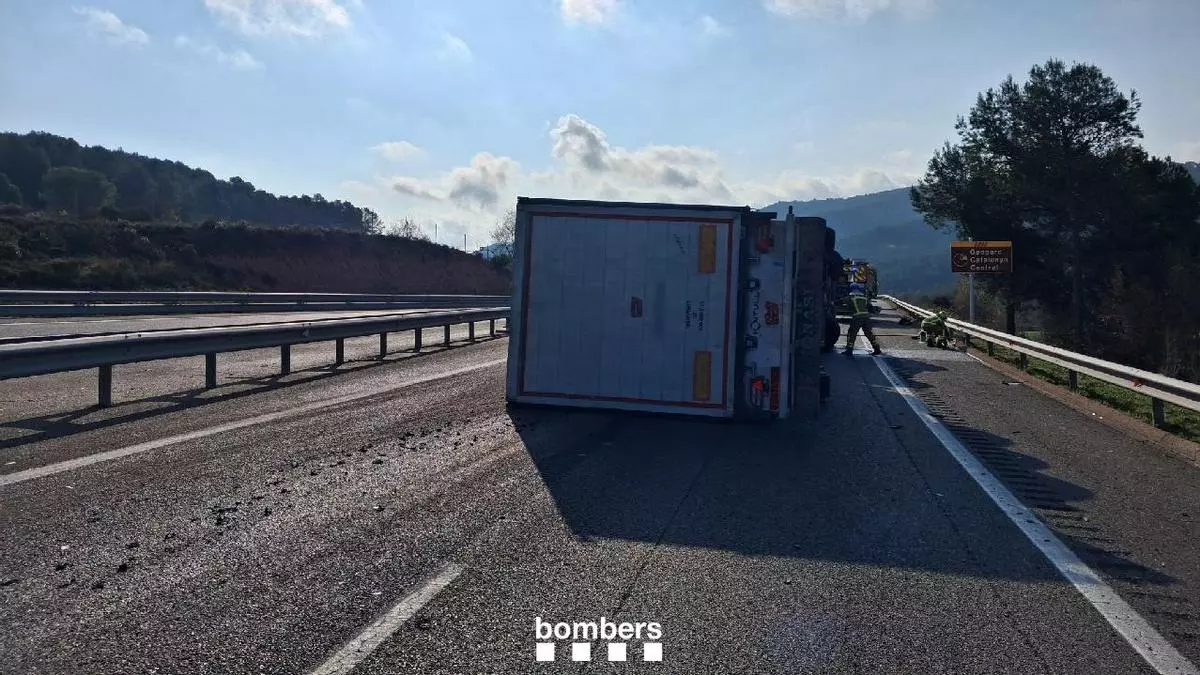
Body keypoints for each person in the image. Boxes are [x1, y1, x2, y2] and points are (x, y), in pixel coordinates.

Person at [843, 283, 882, 355]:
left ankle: (849, 350)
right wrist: (876, 310)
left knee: (852, 333)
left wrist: (832, 302)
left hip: (857, 318)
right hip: (866, 318)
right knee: (869, 333)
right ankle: (877, 349)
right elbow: (870, 308)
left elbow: (842, 301)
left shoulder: (851, 297)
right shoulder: (864, 298)